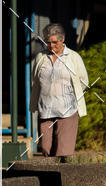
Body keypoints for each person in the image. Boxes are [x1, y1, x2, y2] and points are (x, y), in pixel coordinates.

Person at [30, 23, 89, 162]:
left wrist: (69, 94)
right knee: (46, 149)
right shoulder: (41, 57)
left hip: (67, 110)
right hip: (46, 109)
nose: (51, 46)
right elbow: (36, 79)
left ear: (63, 39)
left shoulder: (73, 57)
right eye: (48, 42)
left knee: (64, 152)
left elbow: (84, 81)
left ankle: (62, 180)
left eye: (55, 42)